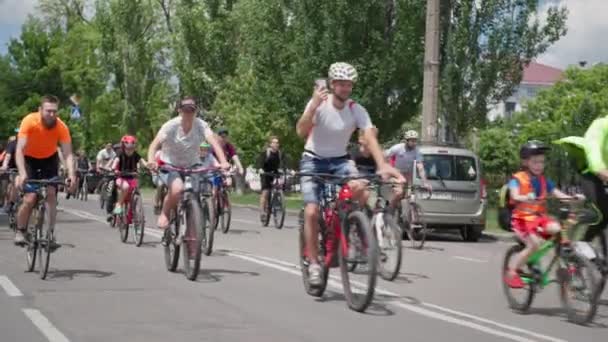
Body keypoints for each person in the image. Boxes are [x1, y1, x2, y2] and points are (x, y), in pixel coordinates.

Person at [295, 62, 403, 285]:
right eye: (341, 84)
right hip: (312, 160)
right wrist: (313, 105)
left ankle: (353, 226)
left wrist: (382, 164)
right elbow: (301, 131)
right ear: (332, 84)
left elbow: (370, 136)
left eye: (349, 85)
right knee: (312, 212)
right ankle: (314, 263)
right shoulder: (320, 104)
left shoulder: (356, 109)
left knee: (362, 190)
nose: (345, 89)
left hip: (340, 160)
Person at [147, 96, 230, 236]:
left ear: (195, 111)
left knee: (195, 193)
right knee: (177, 188)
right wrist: (151, 160)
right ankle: (165, 213)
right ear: (179, 111)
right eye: (185, 110)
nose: (188, 113)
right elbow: (154, 145)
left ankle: (193, 230)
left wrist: (223, 162)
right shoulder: (171, 126)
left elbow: (214, 144)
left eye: (191, 110)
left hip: (192, 164)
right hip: (171, 164)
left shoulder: (201, 125)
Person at [504, 141, 579, 288]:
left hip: (539, 219)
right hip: (522, 221)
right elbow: (514, 194)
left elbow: (558, 193)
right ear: (525, 162)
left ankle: (563, 264)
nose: (539, 165)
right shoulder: (517, 179)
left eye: (542, 162)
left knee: (558, 229)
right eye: (535, 162)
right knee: (535, 244)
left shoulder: (545, 180)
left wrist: (572, 199)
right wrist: (523, 197)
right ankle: (512, 272)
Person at [14, 95, 77, 245]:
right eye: (48, 111)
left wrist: (71, 175)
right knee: (30, 198)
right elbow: (19, 150)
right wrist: (22, 173)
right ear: (40, 110)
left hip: (49, 160)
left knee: (51, 195)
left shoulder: (61, 127)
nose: (52, 115)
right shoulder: (29, 121)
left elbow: (68, 153)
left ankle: (49, 234)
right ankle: (21, 230)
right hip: (29, 160)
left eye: (54, 111)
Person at [556, 116, 608, 247]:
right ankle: (583, 243)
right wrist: (600, 169)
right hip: (591, 174)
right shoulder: (600, 125)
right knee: (603, 214)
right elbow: (594, 154)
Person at [384, 130, 431, 210]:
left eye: (415, 141)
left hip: (408, 174)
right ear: (406, 140)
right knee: (399, 193)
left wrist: (425, 182)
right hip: (397, 173)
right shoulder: (397, 148)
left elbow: (420, 168)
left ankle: (403, 213)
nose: (414, 143)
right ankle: (389, 208)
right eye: (412, 141)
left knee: (408, 195)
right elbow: (385, 156)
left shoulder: (417, 151)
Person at [111, 135, 147, 215]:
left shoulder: (136, 155)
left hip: (132, 178)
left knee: (135, 189)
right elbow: (116, 161)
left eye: (132, 149)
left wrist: (149, 166)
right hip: (121, 178)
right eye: (128, 149)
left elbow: (143, 162)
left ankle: (133, 212)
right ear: (124, 147)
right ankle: (119, 205)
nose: (130, 151)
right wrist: (114, 168)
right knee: (125, 187)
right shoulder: (120, 154)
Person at [257, 136, 287, 223]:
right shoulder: (265, 152)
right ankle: (262, 211)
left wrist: (289, 169)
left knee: (279, 187)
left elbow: (285, 162)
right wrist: (260, 168)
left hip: (275, 173)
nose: (276, 144)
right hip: (265, 174)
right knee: (266, 192)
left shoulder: (280, 153)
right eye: (274, 142)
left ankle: (277, 200)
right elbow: (259, 161)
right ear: (270, 144)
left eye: (277, 142)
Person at [1, 132, 19, 210]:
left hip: (27, 168)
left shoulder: (30, 143)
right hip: (13, 169)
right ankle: (11, 204)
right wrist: (4, 166)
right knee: (15, 184)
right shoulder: (12, 144)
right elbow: (7, 156)